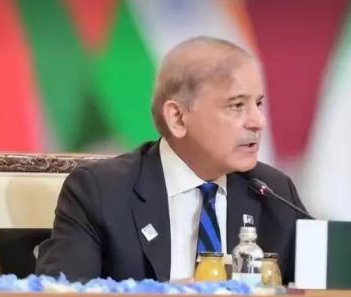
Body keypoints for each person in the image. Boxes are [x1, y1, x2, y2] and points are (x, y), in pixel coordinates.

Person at [36, 36, 307, 283]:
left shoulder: (274, 194)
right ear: (177, 118)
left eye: (258, 104)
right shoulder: (100, 192)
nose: (258, 121)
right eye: (237, 105)